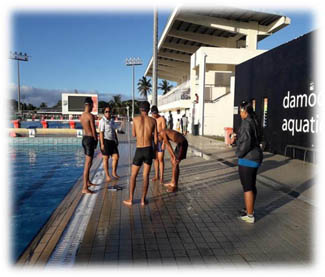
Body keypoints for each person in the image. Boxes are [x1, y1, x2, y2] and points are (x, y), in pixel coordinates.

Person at [123, 101, 157, 206]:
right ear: (148, 110)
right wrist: (154, 151)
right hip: (148, 149)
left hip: (139, 149)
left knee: (133, 175)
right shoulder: (153, 121)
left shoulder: (135, 120)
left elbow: (133, 134)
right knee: (145, 175)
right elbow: (155, 138)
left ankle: (131, 199)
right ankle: (143, 200)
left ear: (140, 109)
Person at [235, 101, 263, 224]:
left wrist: (238, 154)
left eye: (240, 111)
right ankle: (249, 208)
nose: (239, 113)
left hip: (248, 159)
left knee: (247, 188)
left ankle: (250, 215)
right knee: (251, 185)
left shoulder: (246, 123)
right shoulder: (254, 121)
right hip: (256, 157)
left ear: (244, 112)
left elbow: (246, 142)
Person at [80, 97, 98, 194]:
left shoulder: (82, 116)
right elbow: (93, 130)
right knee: (87, 164)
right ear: (90, 105)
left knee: (89, 163)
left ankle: (88, 182)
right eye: (92, 105)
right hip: (90, 139)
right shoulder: (90, 116)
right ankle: (84, 188)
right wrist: (96, 140)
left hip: (84, 139)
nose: (92, 107)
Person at [99, 106, 120, 182]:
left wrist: (116, 139)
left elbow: (114, 131)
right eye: (106, 112)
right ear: (104, 113)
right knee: (106, 158)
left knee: (116, 157)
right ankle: (107, 175)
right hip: (105, 141)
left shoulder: (112, 120)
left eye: (109, 111)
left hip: (112, 141)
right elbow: (101, 133)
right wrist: (102, 144)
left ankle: (114, 173)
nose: (108, 113)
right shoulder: (102, 121)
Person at [151, 105, 166, 185]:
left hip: (160, 141)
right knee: (155, 159)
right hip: (153, 141)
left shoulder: (161, 119)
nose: (154, 115)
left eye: (155, 114)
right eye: (153, 114)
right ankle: (156, 175)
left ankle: (162, 177)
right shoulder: (152, 119)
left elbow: (164, 132)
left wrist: (164, 143)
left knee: (160, 159)